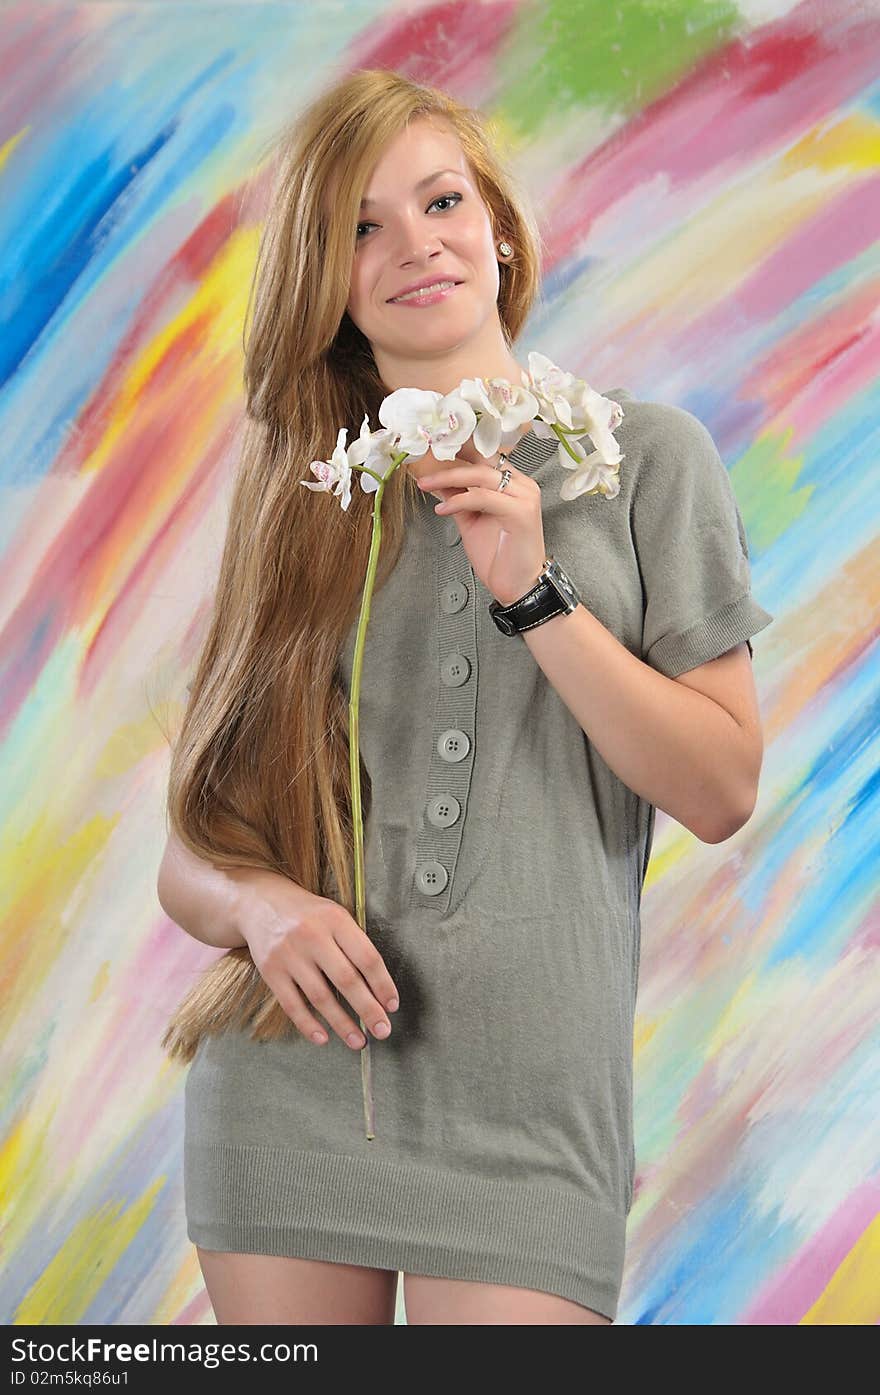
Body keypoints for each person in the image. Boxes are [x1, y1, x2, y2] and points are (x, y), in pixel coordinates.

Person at [157, 68, 774, 1326]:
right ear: (325, 281)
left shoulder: (645, 457)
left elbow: (720, 788)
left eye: (440, 200)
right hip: (290, 1089)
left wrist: (538, 592)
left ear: (496, 225)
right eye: (359, 228)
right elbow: (191, 847)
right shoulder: (299, 500)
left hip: (532, 1119)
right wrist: (259, 905)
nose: (413, 245)